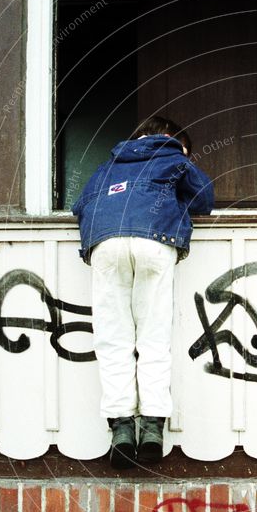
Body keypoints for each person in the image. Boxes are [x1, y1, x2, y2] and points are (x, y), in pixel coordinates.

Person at [72, 116, 214, 468]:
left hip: (104, 244)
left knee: (112, 339)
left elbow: (79, 207)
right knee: (152, 338)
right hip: (154, 241)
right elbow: (204, 199)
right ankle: (152, 429)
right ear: (170, 139)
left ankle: (121, 430)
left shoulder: (107, 166)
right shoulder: (173, 158)